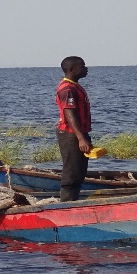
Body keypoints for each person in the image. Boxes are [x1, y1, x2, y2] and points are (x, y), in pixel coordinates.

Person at [55, 56, 92, 202]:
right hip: (71, 135)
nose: (86, 68)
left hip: (78, 134)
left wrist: (84, 136)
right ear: (71, 70)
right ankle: (66, 206)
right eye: (82, 66)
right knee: (71, 173)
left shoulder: (74, 86)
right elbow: (69, 114)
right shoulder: (67, 89)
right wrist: (81, 138)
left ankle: (73, 202)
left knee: (79, 172)